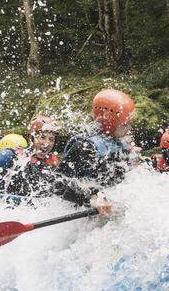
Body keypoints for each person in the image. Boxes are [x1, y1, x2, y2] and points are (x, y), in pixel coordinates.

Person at [51, 88, 137, 216]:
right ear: (111, 121)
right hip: (80, 214)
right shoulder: (85, 147)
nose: (129, 128)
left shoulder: (119, 145)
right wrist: (92, 199)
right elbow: (57, 184)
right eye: (125, 124)